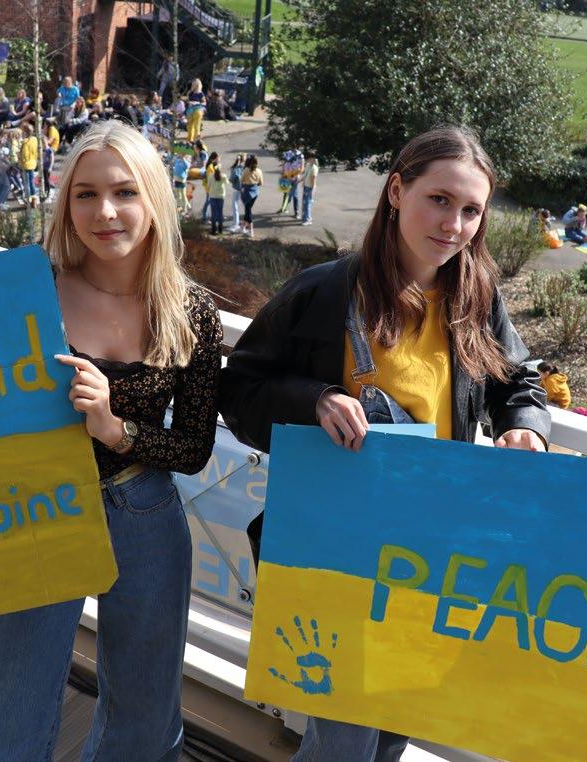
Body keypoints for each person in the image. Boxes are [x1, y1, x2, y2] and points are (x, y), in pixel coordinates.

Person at [218, 126, 550, 760]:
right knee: (343, 739)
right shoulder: (325, 292)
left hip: (428, 551)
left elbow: (519, 380)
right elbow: (240, 387)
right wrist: (314, 400)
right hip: (338, 548)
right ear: (397, 191)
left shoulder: (476, 298)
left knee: (394, 727)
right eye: (439, 199)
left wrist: (524, 426)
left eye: (471, 210)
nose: (454, 224)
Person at [0, 119, 222, 761]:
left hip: (144, 511)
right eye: (86, 194)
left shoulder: (190, 310)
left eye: (124, 192)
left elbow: (194, 448)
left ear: (155, 199)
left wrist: (115, 428)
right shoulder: (29, 290)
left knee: (144, 719)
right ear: (66, 204)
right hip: (40, 510)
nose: (105, 212)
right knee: (10, 714)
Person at [239, 154, 263, 238]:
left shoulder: (246, 170)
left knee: (248, 210)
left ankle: (251, 230)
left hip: (246, 192)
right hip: (255, 192)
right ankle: (242, 227)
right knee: (248, 209)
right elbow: (261, 183)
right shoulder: (259, 171)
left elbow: (241, 180)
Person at [207, 165, 229, 235]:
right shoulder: (223, 176)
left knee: (213, 213)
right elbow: (227, 183)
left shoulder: (211, 176)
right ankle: (220, 229)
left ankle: (213, 229)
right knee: (220, 212)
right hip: (221, 196)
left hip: (212, 196)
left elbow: (208, 186)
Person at [299, 151, 319, 225]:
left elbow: (313, 180)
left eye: (308, 159)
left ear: (312, 158)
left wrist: (312, 191)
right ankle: (305, 217)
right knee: (304, 203)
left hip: (310, 188)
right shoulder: (308, 165)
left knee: (307, 204)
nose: (306, 160)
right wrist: (299, 181)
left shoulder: (314, 168)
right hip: (305, 186)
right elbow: (305, 175)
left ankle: (308, 220)